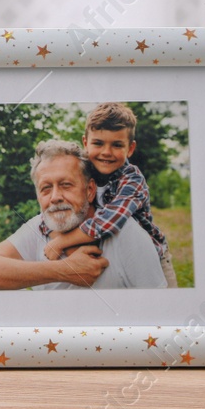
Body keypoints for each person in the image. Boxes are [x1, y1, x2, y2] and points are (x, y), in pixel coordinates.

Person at [0, 139, 166, 291]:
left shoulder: (125, 234)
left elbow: (158, 314)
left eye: (66, 185)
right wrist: (64, 270)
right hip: (43, 339)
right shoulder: (39, 227)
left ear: (90, 191)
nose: (55, 197)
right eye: (46, 188)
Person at [42, 102, 177, 287]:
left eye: (117, 145)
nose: (106, 152)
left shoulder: (132, 180)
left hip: (149, 259)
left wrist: (61, 242)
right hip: (108, 253)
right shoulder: (84, 173)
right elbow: (62, 202)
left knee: (163, 306)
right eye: (98, 143)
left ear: (130, 148)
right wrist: (50, 230)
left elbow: (108, 221)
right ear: (85, 143)